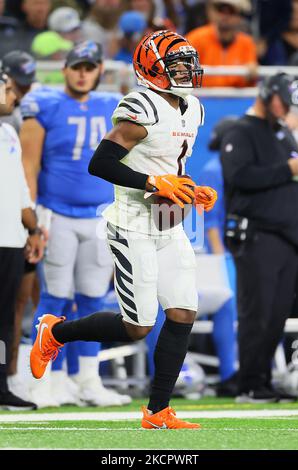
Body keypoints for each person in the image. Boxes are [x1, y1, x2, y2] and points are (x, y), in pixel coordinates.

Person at [30, 30, 218, 429]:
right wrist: (153, 183)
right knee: (138, 326)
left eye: (188, 64)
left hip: (170, 223)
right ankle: (57, 332)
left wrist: (190, 188)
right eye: (178, 65)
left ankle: (157, 411)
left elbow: (170, 164)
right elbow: (100, 163)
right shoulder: (141, 107)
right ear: (152, 69)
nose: (187, 72)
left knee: (183, 311)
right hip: (132, 223)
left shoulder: (193, 108)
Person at [20, 40, 129, 408]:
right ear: (65, 68)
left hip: (99, 214)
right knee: (54, 296)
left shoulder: (112, 106)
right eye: (77, 66)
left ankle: (86, 379)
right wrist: (32, 214)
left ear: (99, 70)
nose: (83, 73)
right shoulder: (45, 105)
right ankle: (46, 379)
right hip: (57, 212)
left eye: (90, 66)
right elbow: (29, 165)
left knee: (93, 298)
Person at [221, 72, 298, 403]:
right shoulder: (241, 131)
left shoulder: (281, 132)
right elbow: (238, 176)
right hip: (258, 236)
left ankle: (264, 381)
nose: (285, 110)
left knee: (278, 314)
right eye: (283, 102)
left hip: (287, 238)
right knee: (258, 313)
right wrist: (289, 169)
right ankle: (250, 384)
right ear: (268, 95)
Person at [0, 71, 44, 410]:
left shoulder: (9, 132)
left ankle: (1, 383)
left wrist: (32, 230)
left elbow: (19, 193)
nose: (13, 97)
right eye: (8, 89)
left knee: (4, 317)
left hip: (11, 238)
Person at [200, 117, 239, 396]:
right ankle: (230, 372)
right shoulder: (216, 169)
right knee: (229, 305)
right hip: (221, 254)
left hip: (234, 249)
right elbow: (211, 221)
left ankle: (236, 370)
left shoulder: (226, 167)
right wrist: (221, 259)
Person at [186, 0, 257, 87]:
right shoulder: (195, 39)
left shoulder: (247, 43)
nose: (225, 16)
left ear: (239, 17)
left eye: (231, 11)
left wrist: (251, 74)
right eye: (221, 10)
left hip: (234, 99)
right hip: (200, 97)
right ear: (213, 13)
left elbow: (250, 81)